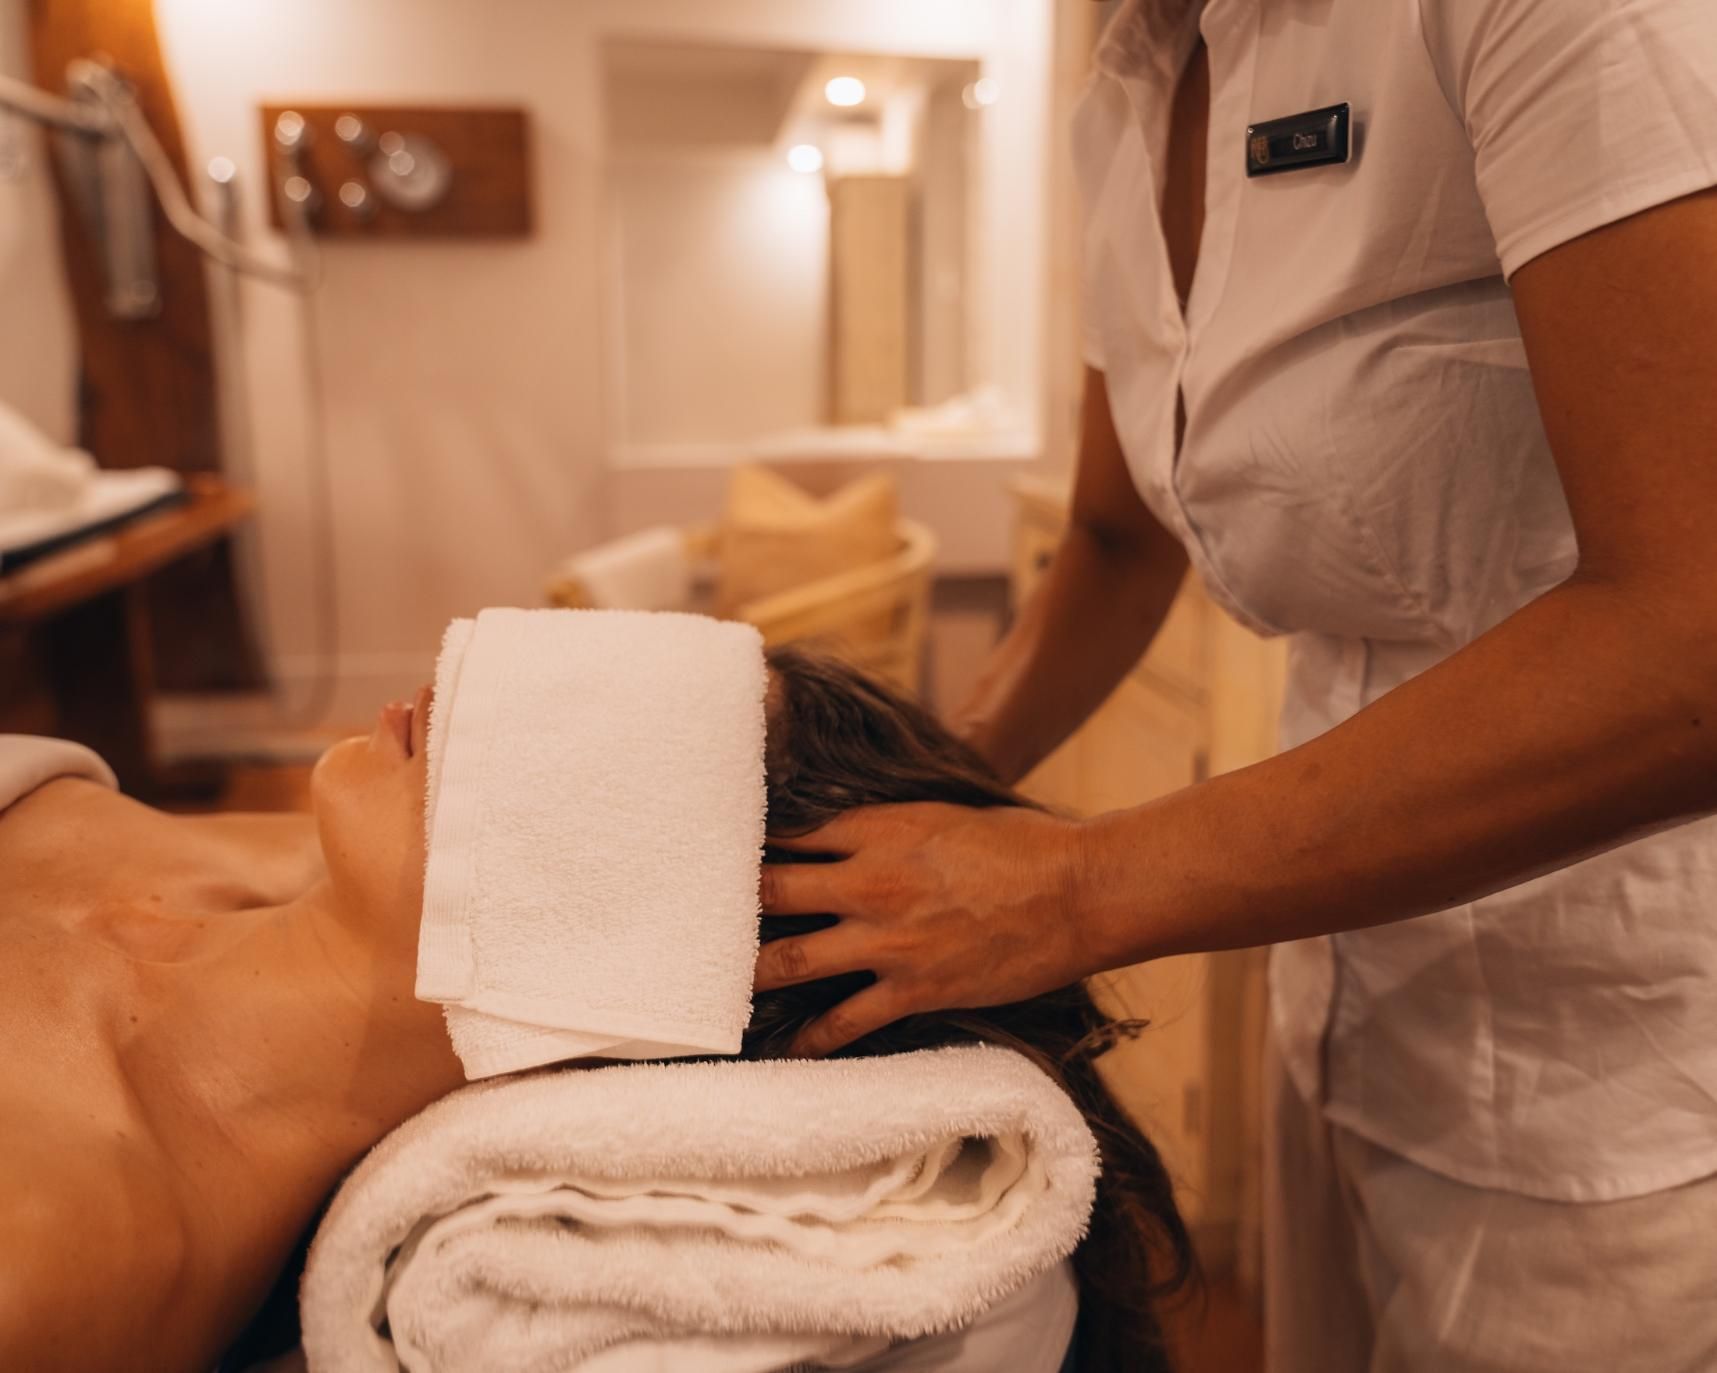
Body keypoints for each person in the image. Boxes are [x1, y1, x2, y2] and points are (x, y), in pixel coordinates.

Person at [754, 1, 1717, 1369]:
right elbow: (1112, 540)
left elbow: (1692, 635)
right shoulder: (1131, 92)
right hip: (1341, 973)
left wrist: (1071, 886)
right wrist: (889, 796)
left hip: (1630, 1047)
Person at [0, 650, 1191, 1373]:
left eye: (618, 728)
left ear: (673, 982)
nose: (474, 670)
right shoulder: (257, 856)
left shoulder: (63, 1238)